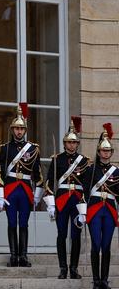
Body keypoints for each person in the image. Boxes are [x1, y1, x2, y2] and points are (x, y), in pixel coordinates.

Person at [0, 103, 43, 268]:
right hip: (11, 190)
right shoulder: (5, 149)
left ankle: (23, 256)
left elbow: (38, 174)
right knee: (11, 223)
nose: (19, 132)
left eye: (21, 129)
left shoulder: (34, 149)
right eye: (16, 129)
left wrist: (37, 196)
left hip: (26, 190)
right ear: (12, 130)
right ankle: (14, 256)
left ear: (25, 131)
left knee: (23, 223)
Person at [43, 116, 89, 279]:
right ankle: (63, 268)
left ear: (77, 144)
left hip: (77, 201)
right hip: (62, 199)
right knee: (61, 234)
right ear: (64, 143)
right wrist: (50, 203)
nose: (72, 145)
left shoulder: (84, 161)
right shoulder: (57, 159)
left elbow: (88, 185)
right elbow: (49, 182)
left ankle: (74, 268)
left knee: (75, 236)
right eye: (69, 142)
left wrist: (85, 206)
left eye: (74, 142)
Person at [82, 124, 118, 289]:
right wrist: (82, 212)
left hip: (110, 210)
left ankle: (104, 280)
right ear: (98, 152)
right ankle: (96, 280)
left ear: (111, 153)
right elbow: (83, 191)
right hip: (95, 209)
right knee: (96, 244)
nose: (106, 153)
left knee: (106, 246)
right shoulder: (91, 169)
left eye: (108, 151)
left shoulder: (116, 172)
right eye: (103, 151)